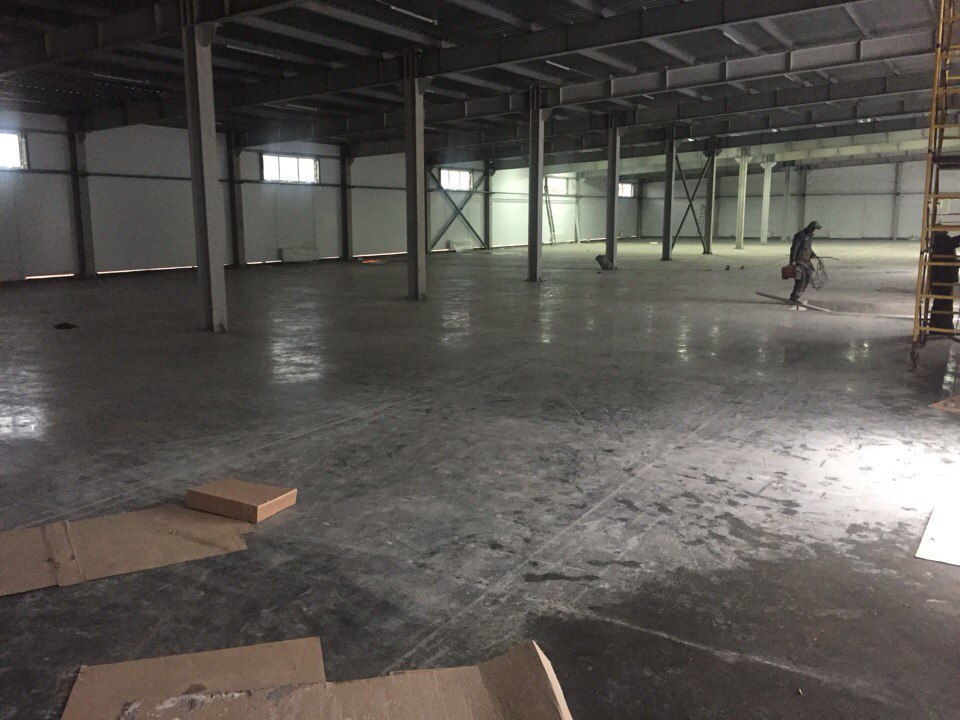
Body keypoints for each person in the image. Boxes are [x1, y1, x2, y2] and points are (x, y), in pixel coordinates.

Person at [928, 231, 960, 331]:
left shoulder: (939, 242)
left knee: (940, 302)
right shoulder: (942, 241)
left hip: (942, 278)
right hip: (943, 279)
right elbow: (956, 241)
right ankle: (943, 327)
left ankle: (937, 327)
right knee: (944, 303)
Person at [789, 221, 822, 303]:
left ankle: (798, 295)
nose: (816, 231)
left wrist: (813, 254)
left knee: (808, 276)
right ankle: (794, 297)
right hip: (799, 261)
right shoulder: (800, 235)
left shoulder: (809, 236)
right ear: (812, 229)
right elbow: (794, 248)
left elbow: (807, 248)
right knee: (801, 278)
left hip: (806, 261)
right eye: (816, 229)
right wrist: (792, 261)